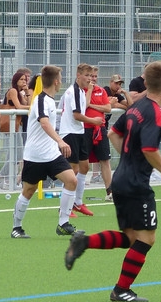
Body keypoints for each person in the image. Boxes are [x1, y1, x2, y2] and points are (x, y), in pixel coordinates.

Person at [64, 60, 161, 302]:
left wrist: (128, 158)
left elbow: (113, 134)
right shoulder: (156, 114)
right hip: (136, 184)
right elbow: (149, 149)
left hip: (120, 180)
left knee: (131, 238)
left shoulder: (136, 108)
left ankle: (84, 242)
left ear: (146, 82)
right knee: (147, 239)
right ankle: (121, 290)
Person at [10, 65, 81, 239]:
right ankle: (16, 227)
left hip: (51, 154)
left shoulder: (49, 100)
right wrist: (60, 141)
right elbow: (44, 122)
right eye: (60, 79)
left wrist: (56, 144)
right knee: (29, 190)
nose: (61, 82)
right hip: (35, 155)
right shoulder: (41, 100)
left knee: (72, 180)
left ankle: (63, 224)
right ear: (56, 81)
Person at [58, 63, 104, 218]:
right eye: (87, 75)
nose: (89, 79)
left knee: (84, 167)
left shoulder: (81, 91)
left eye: (91, 76)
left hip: (79, 132)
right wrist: (94, 120)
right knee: (72, 171)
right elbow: (77, 115)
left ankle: (77, 202)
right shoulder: (74, 92)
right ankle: (64, 208)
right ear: (78, 76)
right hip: (70, 133)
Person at [0, 68, 31, 190]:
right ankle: (1, 176)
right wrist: (31, 107)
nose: (24, 81)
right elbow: (19, 106)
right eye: (21, 79)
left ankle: (6, 178)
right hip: (11, 125)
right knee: (17, 154)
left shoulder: (20, 93)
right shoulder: (12, 91)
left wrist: (27, 92)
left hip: (17, 125)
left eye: (25, 79)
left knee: (16, 154)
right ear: (16, 81)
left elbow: (27, 103)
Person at [84, 67, 115, 201]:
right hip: (85, 129)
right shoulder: (81, 91)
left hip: (100, 129)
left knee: (105, 160)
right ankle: (75, 194)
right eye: (91, 76)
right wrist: (90, 92)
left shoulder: (101, 91)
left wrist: (92, 105)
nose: (93, 79)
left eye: (95, 76)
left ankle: (110, 192)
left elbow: (108, 108)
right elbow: (84, 106)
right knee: (83, 162)